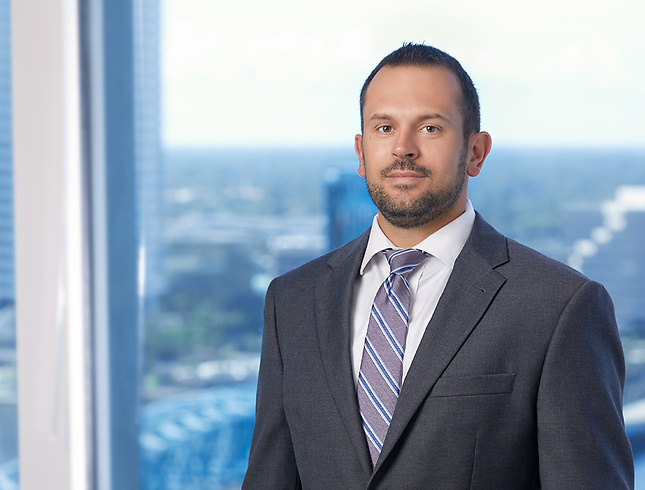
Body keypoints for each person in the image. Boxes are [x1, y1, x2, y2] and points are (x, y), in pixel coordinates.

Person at [242, 43, 634, 488]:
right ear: (361, 152)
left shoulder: (559, 307)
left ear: (476, 152)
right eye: (385, 127)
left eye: (430, 128)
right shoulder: (292, 301)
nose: (403, 148)